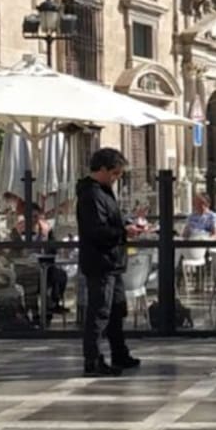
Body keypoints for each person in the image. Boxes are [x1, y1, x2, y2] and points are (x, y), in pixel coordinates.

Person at [77, 148, 143, 377]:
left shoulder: (104, 192)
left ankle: (119, 352)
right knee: (100, 311)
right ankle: (93, 359)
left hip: (112, 261)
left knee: (116, 310)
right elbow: (97, 230)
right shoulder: (91, 195)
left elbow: (111, 220)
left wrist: (126, 225)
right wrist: (123, 232)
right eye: (114, 173)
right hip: (101, 262)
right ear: (102, 169)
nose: (116, 178)